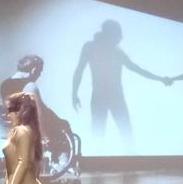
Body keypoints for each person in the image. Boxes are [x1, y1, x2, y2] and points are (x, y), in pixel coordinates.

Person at [71, 19, 171, 150]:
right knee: (101, 133)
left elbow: (137, 69)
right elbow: (79, 70)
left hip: (113, 97)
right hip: (103, 97)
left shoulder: (116, 51)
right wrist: (74, 93)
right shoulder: (92, 47)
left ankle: (130, 156)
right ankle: (100, 157)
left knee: (124, 133)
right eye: (118, 35)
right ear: (110, 34)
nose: (120, 39)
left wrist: (160, 79)